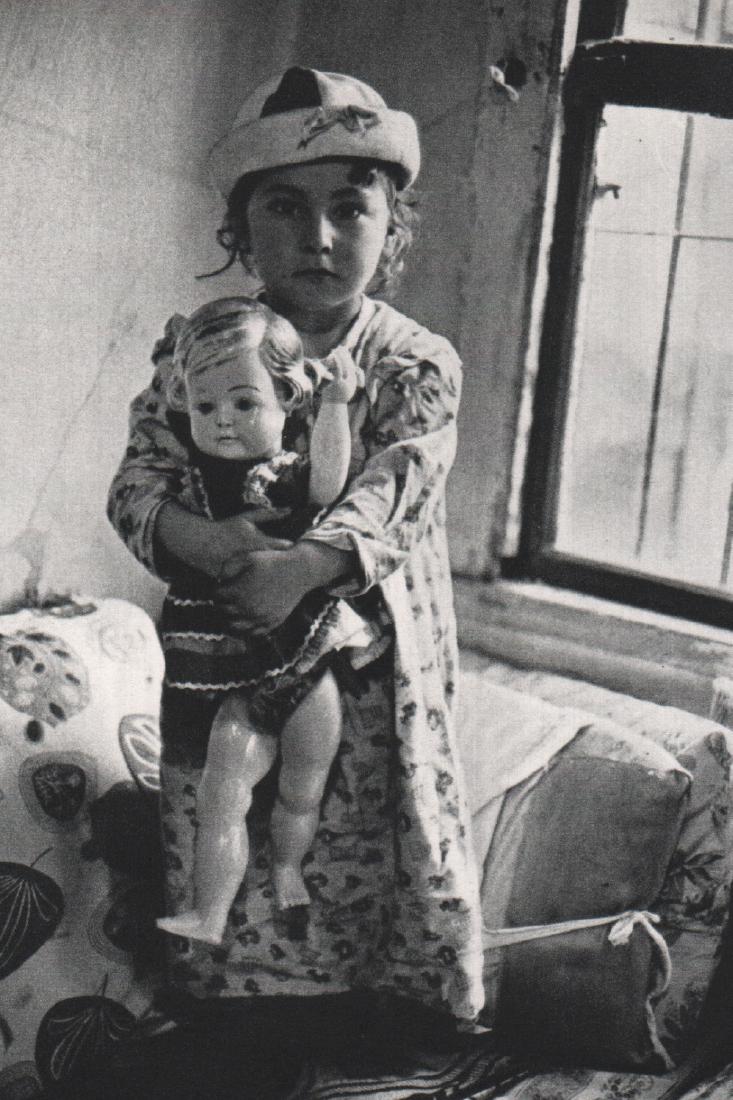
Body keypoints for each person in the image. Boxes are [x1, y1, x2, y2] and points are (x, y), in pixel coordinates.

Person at [108, 66, 484, 1028]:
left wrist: (303, 568)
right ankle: (239, 1020)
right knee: (224, 806)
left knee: (357, 821)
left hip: (369, 655)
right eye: (284, 209)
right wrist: (203, 538)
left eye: (348, 210)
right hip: (225, 639)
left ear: (390, 225)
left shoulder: (412, 360)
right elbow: (138, 482)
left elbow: (399, 481)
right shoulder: (198, 349)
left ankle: (366, 1022)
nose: (318, 238)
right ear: (240, 229)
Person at [154, 296, 375, 944]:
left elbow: (328, 483)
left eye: (244, 404)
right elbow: (166, 433)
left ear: (287, 401)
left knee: (302, 791)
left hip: (304, 660)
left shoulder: (279, 476)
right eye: (205, 406)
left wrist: (334, 404)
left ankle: (287, 870)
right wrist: (176, 353)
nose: (222, 422)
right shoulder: (191, 478)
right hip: (234, 675)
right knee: (223, 791)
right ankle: (210, 912)